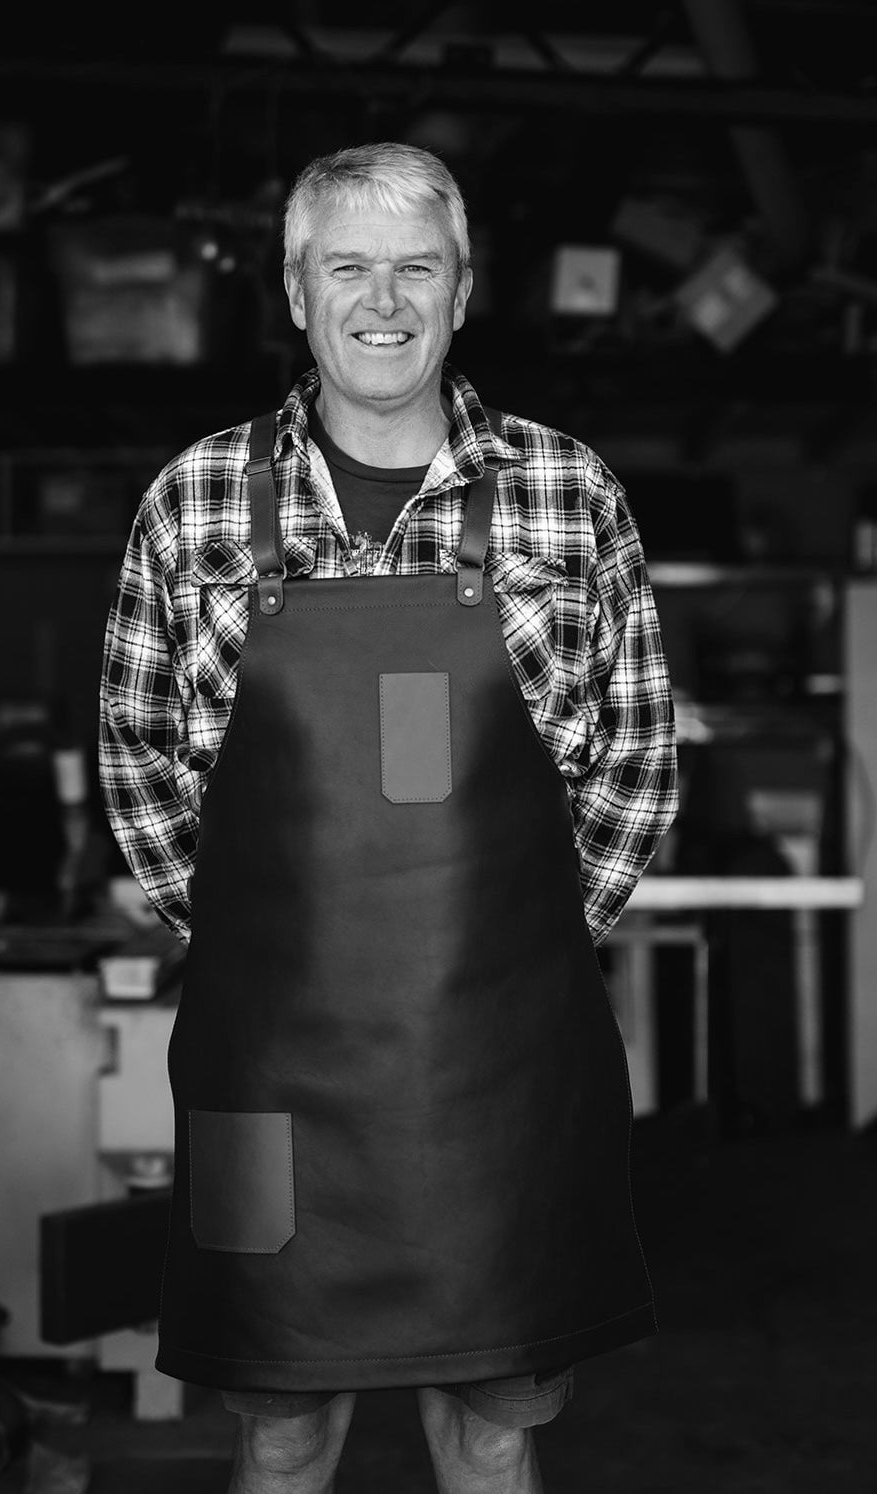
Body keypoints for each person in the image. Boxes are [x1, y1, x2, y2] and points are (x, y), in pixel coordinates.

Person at [99, 141, 678, 1494]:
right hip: (266, 1075)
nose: (383, 299)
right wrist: (272, 933)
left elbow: (636, 760)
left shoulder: (569, 494)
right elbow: (139, 762)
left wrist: (510, 932)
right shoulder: (194, 504)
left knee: (490, 1431)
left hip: (503, 1077)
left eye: (417, 266)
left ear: (463, 289)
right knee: (280, 1431)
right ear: (295, 292)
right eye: (347, 266)